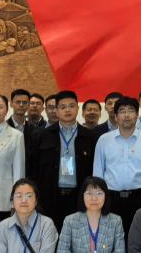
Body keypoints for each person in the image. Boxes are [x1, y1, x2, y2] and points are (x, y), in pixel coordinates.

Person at [93, 96, 141, 236]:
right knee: (111, 238)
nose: (126, 115)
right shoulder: (104, 140)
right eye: (122, 111)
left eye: (130, 111)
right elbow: (98, 173)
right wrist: (97, 198)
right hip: (111, 198)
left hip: (140, 198)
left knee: (139, 238)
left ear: (137, 115)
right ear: (116, 116)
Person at [28, 90, 97, 227]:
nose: (67, 110)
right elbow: (33, 168)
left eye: (71, 106)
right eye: (63, 107)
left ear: (78, 108)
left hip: (80, 198)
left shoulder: (90, 136)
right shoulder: (42, 135)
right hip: (49, 198)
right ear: (56, 110)